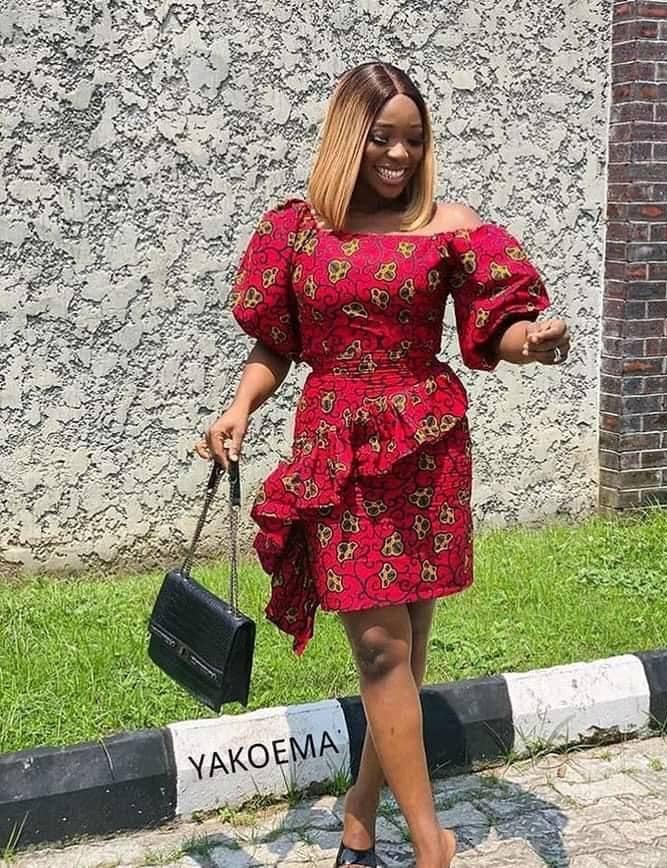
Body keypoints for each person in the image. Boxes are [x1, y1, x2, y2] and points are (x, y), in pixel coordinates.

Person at [197, 61, 570, 868]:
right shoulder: (297, 231)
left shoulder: (449, 226)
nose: (400, 154)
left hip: (425, 449)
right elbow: (277, 344)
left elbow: (500, 327)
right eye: (381, 138)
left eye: (413, 139)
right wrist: (239, 407)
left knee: (403, 650)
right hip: (337, 449)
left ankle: (359, 824)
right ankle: (433, 847)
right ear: (348, 137)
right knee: (379, 650)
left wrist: (534, 343)